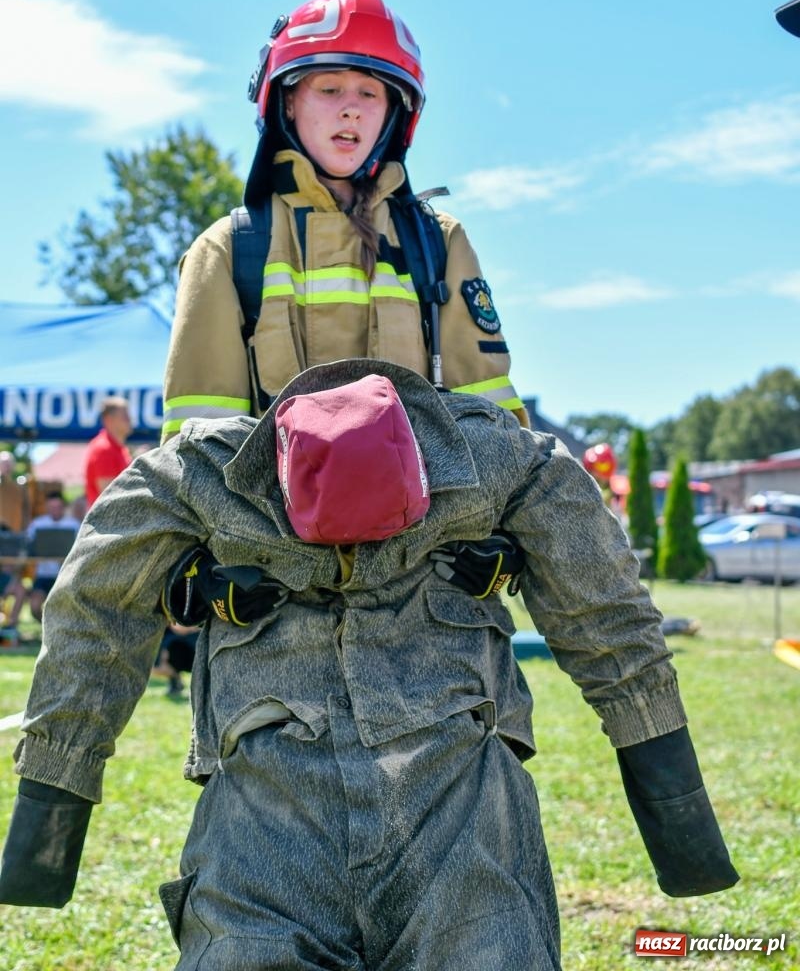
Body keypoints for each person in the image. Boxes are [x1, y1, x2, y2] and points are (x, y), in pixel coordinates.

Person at [0, 359, 737, 970]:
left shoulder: (503, 461)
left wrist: (684, 832)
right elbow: (96, 612)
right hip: (277, 796)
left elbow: (608, 617)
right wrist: (47, 829)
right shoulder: (200, 471)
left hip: (448, 788)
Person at [161, 0, 527, 444]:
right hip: (270, 517)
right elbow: (196, 454)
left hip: (434, 517)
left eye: (371, 93)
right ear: (287, 102)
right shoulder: (225, 253)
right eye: (330, 88)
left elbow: (495, 434)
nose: (351, 108)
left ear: (395, 113)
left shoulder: (442, 244)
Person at [25, 490, 81, 622]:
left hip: (66, 575)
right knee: (34, 606)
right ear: (46, 507)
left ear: (64, 507)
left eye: (58, 507)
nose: (55, 510)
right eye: (52, 507)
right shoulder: (37, 524)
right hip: (43, 575)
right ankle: (47, 629)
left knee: (68, 607)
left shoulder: (74, 524)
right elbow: (27, 545)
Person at [84, 396, 132, 507]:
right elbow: (109, 496)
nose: (130, 420)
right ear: (109, 420)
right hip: (108, 520)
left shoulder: (119, 449)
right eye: (125, 416)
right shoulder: (104, 449)